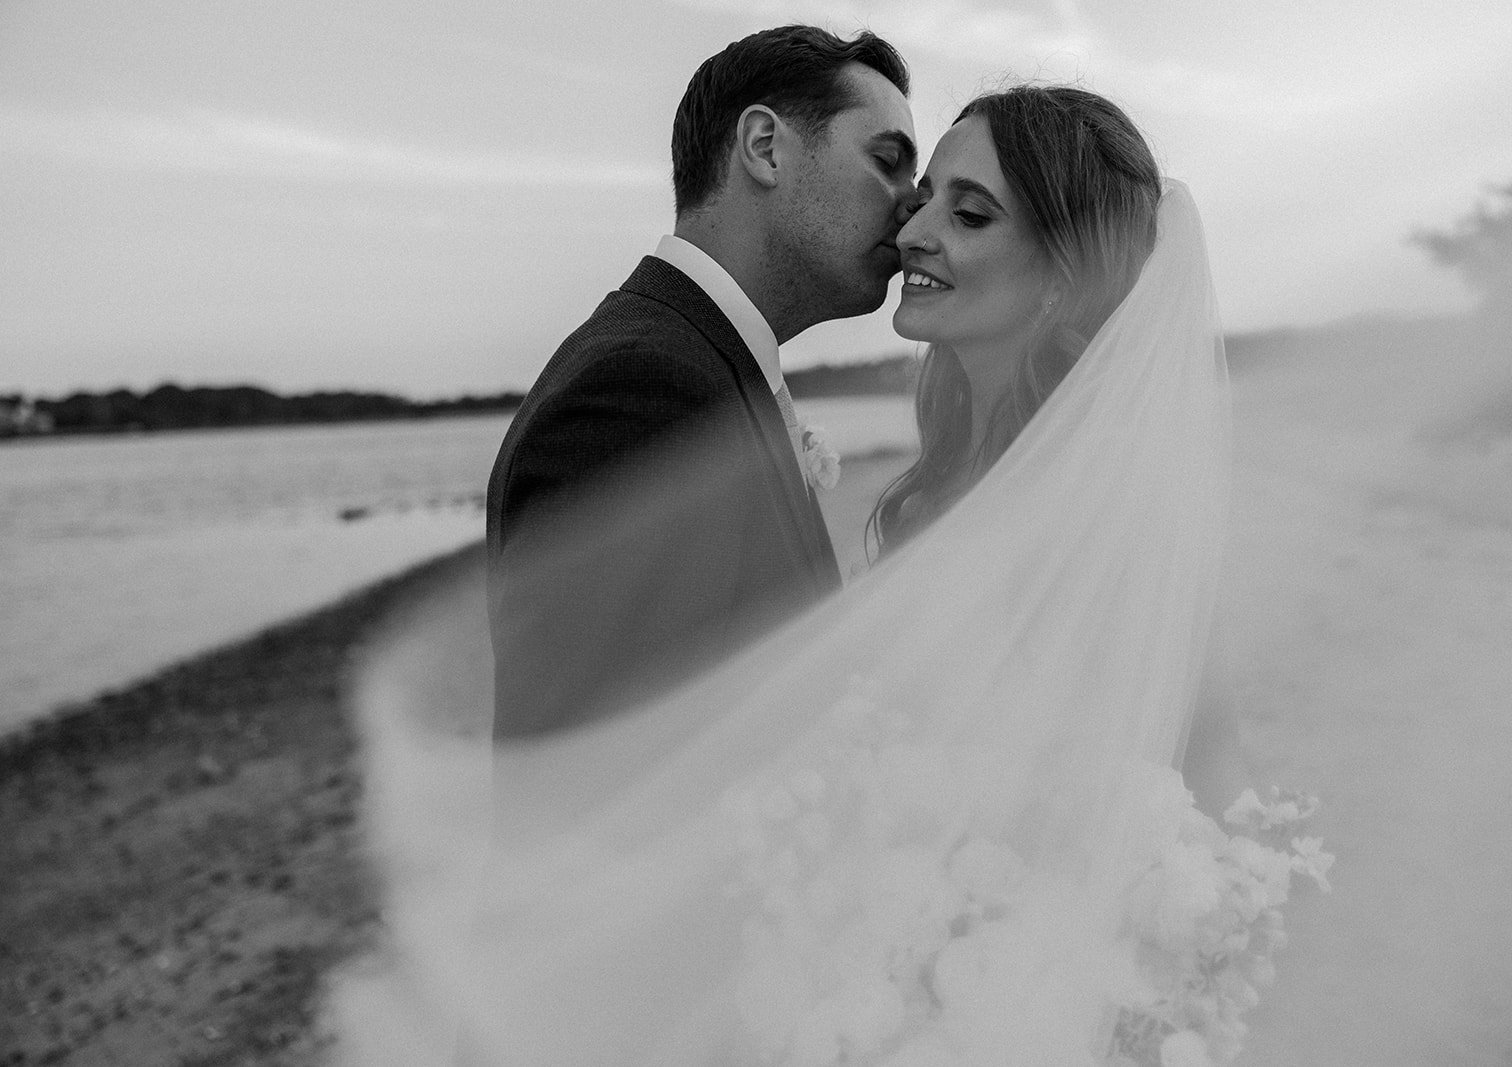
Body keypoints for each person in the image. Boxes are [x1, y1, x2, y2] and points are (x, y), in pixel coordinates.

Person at [335, 84, 1321, 1067]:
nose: (913, 228)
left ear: (1066, 277)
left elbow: (1178, 794)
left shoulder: (1100, 518)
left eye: (967, 213)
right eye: (920, 189)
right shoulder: (940, 492)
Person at [485, 25, 918, 738]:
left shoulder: (700, 364)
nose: (910, 205)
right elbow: (598, 798)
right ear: (764, 147)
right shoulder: (640, 393)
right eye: (888, 160)